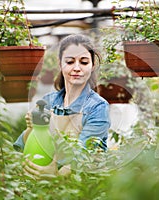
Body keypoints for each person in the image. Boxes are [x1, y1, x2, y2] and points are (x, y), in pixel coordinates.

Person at [13, 34, 110, 178]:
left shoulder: (98, 107)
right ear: (60, 64)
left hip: (81, 187)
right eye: (70, 62)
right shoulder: (48, 101)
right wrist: (31, 127)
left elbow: (82, 157)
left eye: (84, 62)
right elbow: (24, 145)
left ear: (93, 65)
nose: (77, 68)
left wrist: (56, 175)